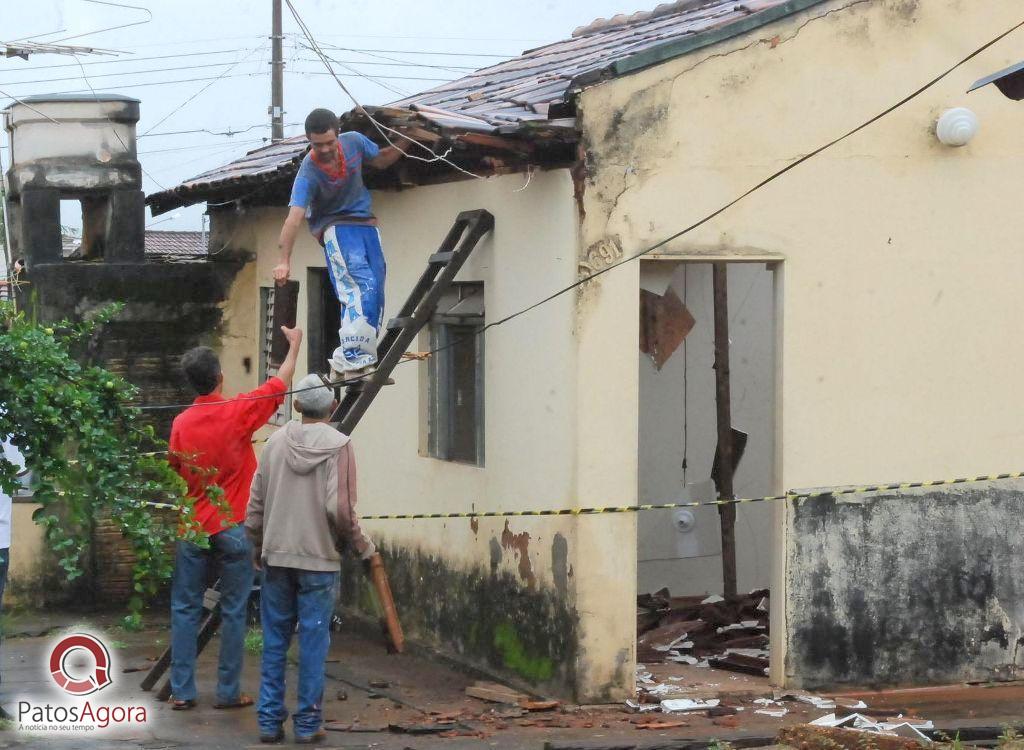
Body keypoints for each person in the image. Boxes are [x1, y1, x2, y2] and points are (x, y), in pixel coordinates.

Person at [167, 326, 302, 711]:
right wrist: (294, 345)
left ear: (192, 384)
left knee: (184, 608)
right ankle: (227, 692)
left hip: (193, 524)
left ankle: (182, 690)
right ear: (219, 378)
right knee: (233, 609)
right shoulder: (238, 412)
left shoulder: (180, 424)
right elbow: (281, 381)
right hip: (233, 525)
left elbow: (175, 468)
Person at [245, 374, 375, 744]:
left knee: (274, 640)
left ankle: (269, 722)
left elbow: (255, 505)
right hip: (319, 560)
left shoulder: (274, 443)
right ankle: (307, 725)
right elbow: (342, 511)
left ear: (297, 406)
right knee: (314, 642)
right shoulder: (340, 445)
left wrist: (257, 543)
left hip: (278, 558)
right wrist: (362, 547)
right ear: (333, 407)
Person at [273, 108, 413, 383]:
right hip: (336, 228)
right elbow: (293, 219)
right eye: (317, 144)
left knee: (376, 287)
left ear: (338, 134)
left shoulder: (354, 141)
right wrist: (284, 261)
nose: (324, 149)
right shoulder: (308, 172)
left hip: (366, 224)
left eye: (328, 142)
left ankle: (353, 360)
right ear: (309, 141)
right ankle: (352, 358)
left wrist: (408, 138)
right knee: (360, 286)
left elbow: (383, 160)